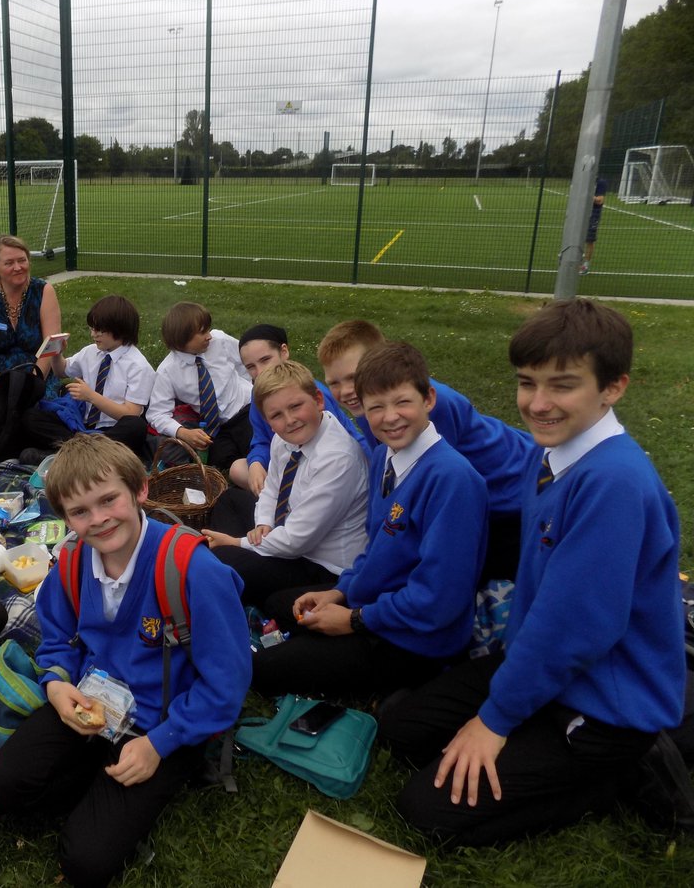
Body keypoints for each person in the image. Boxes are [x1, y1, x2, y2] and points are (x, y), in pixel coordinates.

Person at [379, 298, 685, 846]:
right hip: (537, 666)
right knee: (402, 730)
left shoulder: (613, 484)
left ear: (613, 388)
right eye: (527, 383)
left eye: (562, 385)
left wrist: (495, 721)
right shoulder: (551, 454)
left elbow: (574, 631)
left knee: (425, 810)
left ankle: (617, 774)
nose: (538, 403)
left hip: (601, 701)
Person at [0, 433, 251, 888]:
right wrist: (55, 683)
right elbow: (57, 638)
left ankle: (137, 775)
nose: (99, 520)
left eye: (109, 499)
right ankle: (103, 774)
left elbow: (225, 685)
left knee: (85, 863)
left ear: (140, 490)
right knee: (6, 788)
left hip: (165, 722)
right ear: (65, 517)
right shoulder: (69, 561)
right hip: (92, 706)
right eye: (79, 511)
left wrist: (159, 745)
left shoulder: (192, 571)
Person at [251, 342, 488, 700]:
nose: (389, 417)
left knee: (262, 672)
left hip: (414, 637)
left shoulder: (453, 480)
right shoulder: (384, 458)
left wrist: (353, 620)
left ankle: (409, 687)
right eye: (376, 407)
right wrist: (339, 591)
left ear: (429, 399)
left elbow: (439, 600)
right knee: (282, 606)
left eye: (402, 402)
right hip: (373, 606)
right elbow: (375, 551)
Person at [317, 319, 534, 582]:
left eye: (352, 378)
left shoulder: (431, 407)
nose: (345, 391)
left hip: (515, 492)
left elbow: (434, 487)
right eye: (334, 383)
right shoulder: (371, 406)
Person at [202, 360, 369, 608]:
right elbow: (272, 489)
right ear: (268, 421)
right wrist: (263, 524)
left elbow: (296, 540)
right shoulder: (285, 439)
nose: (290, 420)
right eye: (276, 415)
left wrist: (236, 543)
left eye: (296, 406)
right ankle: (240, 561)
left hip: (324, 566)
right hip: (290, 533)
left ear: (319, 401)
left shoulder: (337, 459)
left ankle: (232, 565)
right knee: (230, 500)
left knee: (222, 560)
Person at [228, 323, 361, 496]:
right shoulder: (258, 394)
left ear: (284, 352)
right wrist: (256, 463)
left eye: (265, 360)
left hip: (324, 464)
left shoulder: (307, 392)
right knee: (238, 468)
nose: (259, 372)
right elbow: (261, 440)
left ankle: (282, 499)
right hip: (286, 455)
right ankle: (277, 497)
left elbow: (337, 441)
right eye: (251, 367)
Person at [19, 294, 156, 460]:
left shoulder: (138, 366)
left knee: (136, 427)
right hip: (81, 426)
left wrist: (91, 397)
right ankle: (83, 453)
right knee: (30, 417)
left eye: (99, 330)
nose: (93, 334)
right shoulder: (91, 352)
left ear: (120, 329)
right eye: (92, 328)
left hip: (112, 429)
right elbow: (61, 371)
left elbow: (131, 413)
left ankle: (65, 454)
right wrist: (56, 354)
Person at [146, 301, 252, 470]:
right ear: (181, 339)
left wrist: (253, 386)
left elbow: (246, 362)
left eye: (208, 329)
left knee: (251, 443)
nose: (209, 336)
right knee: (219, 461)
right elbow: (157, 414)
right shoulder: (167, 371)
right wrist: (183, 433)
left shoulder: (220, 341)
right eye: (202, 332)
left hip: (247, 409)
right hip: (218, 428)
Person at [0, 235, 64, 407]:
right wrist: (1, 388)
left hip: (37, 375)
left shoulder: (44, 291)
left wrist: (32, 386)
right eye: (9, 263)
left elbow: (52, 345)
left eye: (22, 260)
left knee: (40, 417)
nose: (18, 267)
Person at [581, 176, 608, 275]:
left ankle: (585, 265)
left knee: (589, 240)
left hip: (593, 215)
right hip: (581, 213)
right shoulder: (583, 181)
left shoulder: (600, 182)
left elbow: (600, 200)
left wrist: (587, 196)